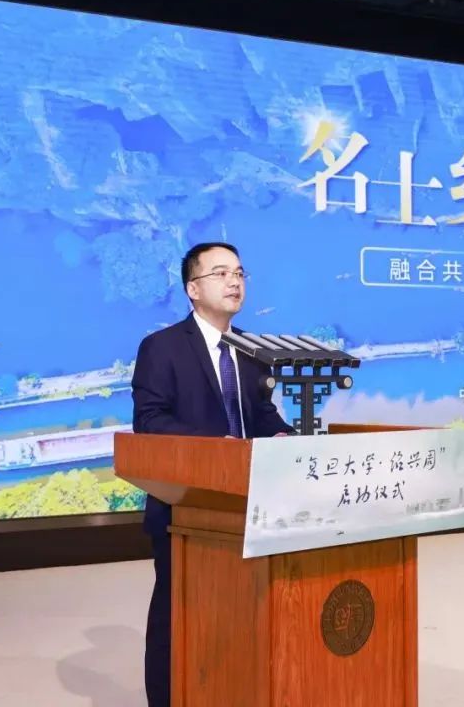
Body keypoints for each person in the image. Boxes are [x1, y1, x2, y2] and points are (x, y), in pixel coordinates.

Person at [131, 241, 294, 707]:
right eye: (220, 273)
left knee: (242, 613)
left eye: (239, 273)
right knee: (176, 615)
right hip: (185, 507)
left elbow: (261, 415)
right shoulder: (161, 347)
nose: (234, 281)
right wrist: (216, 447)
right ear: (193, 288)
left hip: (248, 506)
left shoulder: (253, 350)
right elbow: (151, 421)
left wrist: (283, 436)